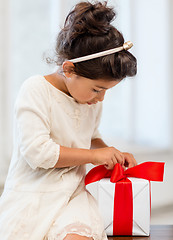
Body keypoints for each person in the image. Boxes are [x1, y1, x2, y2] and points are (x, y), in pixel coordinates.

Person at [0, 1, 137, 240]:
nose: (101, 98)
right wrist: (95, 156)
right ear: (70, 69)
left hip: (73, 194)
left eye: (106, 91)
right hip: (33, 194)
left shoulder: (89, 101)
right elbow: (38, 153)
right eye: (97, 89)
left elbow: (90, 137)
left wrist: (109, 152)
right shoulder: (35, 90)